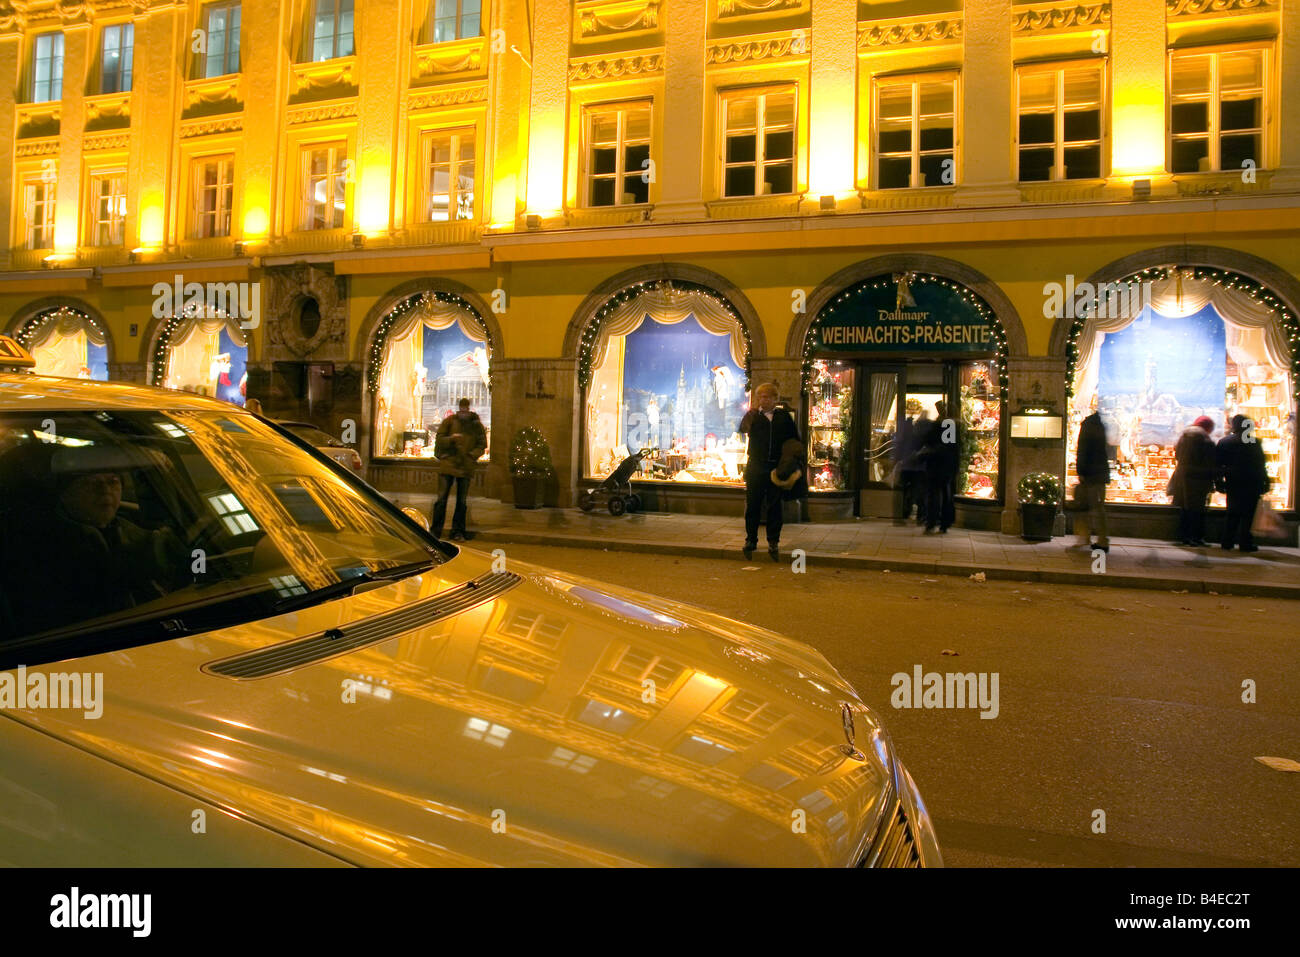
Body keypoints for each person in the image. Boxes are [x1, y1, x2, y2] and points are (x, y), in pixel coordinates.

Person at [1, 449, 187, 637]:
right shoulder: (41, 546)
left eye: (112, 482)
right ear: (64, 494)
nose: (105, 490)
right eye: (90, 483)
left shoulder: (129, 528)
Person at [739, 383, 800, 561]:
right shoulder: (754, 416)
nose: (763, 400)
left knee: (775, 506)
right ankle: (751, 540)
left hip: (775, 466)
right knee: (753, 505)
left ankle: (773, 541)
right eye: (760, 397)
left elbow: (792, 440)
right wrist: (749, 415)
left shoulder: (784, 417)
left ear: (775, 399)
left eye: (767, 397)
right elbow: (743, 429)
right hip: (756, 465)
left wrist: (790, 462)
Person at [430, 398, 487, 542]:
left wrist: (470, 456)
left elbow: (482, 445)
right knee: (442, 499)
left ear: (468, 409)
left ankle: (458, 531)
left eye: (465, 409)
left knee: (461, 501)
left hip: (464, 465)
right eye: (461, 409)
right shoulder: (449, 422)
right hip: (449, 463)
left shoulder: (475, 425)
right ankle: (436, 530)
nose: (463, 412)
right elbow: (440, 439)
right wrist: (451, 439)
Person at [1216, 414, 1270, 552]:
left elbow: (1218, 464)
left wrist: (1219, 482)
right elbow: (1260, 464)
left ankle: (1227, 541)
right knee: (1248, 514)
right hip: (1252, 482)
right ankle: (1245, 543)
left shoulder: (1224, 442)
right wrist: (1266, 481)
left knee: (1232, 512)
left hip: (1233, 482)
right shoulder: (1253, 442)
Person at [1170, 415, 1217, 546]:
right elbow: (1210, 460)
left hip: (1183, 476)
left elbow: (1177, 454)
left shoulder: (1184, 435)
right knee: (1197, 509)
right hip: (1199, 478)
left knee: (1185, 508)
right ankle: (1196, 537)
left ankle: (1184, 536)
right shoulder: (1205, 439)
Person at [1072, 406, 1110, 552]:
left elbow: (1082, 449)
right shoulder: (1103, 425)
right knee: (1097, 508)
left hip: (1090, 473)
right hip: (1100, 473)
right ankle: (1100, 539)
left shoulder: (1089, 425)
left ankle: (1090, 538)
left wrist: (1080, 471)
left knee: (1086, 507)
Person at [920, 401, 958, 534]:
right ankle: (945, 523)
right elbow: (954, 447)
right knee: (946, 494)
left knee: (933, 494)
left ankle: (932, 521)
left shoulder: (938, 425)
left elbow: (927, 441)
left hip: (936, 465)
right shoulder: (952, 425)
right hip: (947, 465)